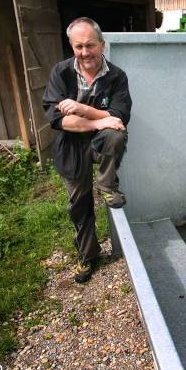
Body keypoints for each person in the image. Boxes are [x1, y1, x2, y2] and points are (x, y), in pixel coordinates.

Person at [42, 17, 132, 283]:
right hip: (70, 146)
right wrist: (97, 120)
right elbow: (57, 119)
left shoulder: (117, 76)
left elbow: (118, 117)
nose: (85, 52)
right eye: (78, 46)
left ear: (102, 45)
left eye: (90, 45)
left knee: (115, 133)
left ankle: (106, 185)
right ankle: (88, 255)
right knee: (79, 205)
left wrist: (82, 109)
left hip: (100, 142)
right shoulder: (61, 72)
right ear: (71, 46)